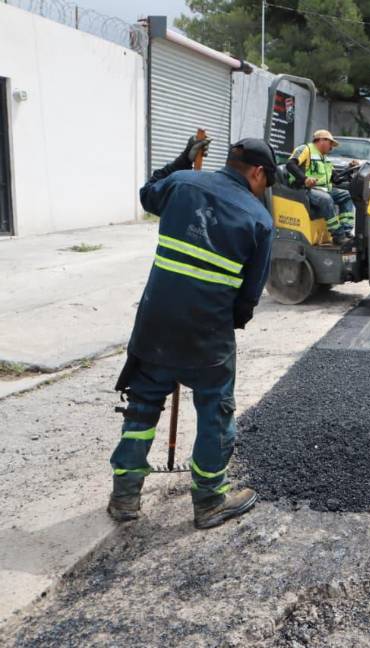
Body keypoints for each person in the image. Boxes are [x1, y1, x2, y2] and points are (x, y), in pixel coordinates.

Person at [107, 135, 277, 530]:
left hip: (154, 325)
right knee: (215, 411)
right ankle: (209, 500)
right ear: (256, 172)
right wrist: (225, 324)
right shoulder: (259, 219)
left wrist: (181, 159)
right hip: (207, 335)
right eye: (265, 182)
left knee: (143, 406)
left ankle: (125, 497)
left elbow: (148, 194)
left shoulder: (182, 182)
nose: (263, 191)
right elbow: (249, 297)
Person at [286, 129, 359, 247]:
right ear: (321, 140)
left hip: (323, 190)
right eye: (331, 143)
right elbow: (290, 164)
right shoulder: (306, 149)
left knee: (346, 195)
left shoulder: (325, 159)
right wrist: (305, 179)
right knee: (326, 199)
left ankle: (346, 231)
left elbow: (335, 179)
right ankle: (338, 236)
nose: (332, 147)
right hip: (305, 189)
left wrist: (349, 168)